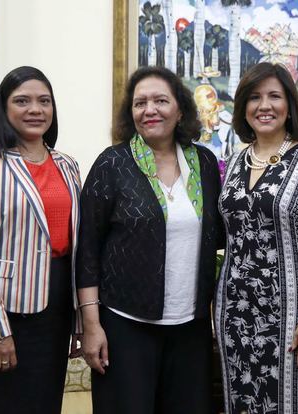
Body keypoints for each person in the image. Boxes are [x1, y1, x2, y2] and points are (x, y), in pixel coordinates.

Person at [76, 65, 222, 414]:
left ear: (181, 109)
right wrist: (92, 326)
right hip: (125, 326)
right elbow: (88, 252)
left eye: (160, 100)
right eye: (140, 103)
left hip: (190, 327)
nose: (150, 110)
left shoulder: (204, 162)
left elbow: (218, 238)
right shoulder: (112, 164)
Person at [0, 66, 81, 413]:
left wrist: (79, 322)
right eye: (22, 101)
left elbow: (79, 248)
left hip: (52, 315)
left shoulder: (68, 164)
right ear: (4, 108)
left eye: (44, 101)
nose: (35, 109)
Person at [215, 62, 298, 413]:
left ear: (290, 106)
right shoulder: (233, 163)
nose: (264, 105)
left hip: (296, 322)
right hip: (237, 319)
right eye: (255, 97)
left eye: (275, 96)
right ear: (243, 108)